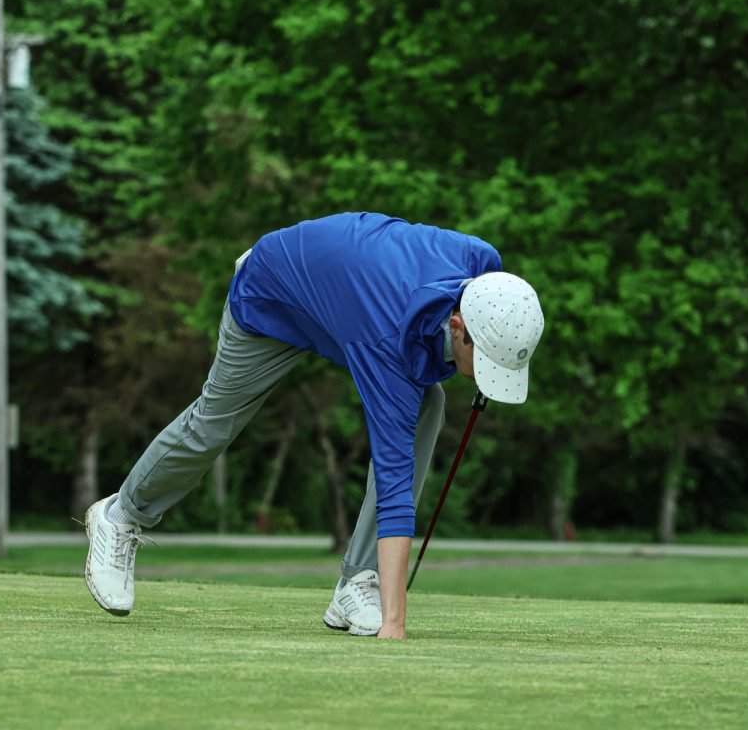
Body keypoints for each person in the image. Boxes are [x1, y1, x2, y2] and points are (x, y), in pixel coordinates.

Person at [84, 212, 544, 638]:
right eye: (483, 359)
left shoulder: (484, 268)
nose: (486, 373)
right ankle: (120, 516)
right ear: (459, 324)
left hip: (345, 303)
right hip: (274, 295)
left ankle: (355, 582)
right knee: (214, 423)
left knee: (430, 403)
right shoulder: (387, 340)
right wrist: (395, 624)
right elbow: (394, 477)